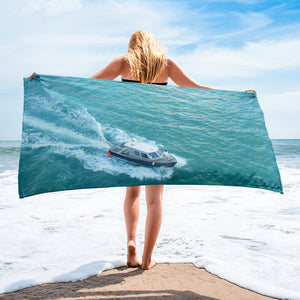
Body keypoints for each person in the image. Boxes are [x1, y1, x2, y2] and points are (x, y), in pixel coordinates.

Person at [30, 30, 255, 270]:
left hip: (128, 135)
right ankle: (147, 259)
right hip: (159, 135)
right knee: (155, 200)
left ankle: (130, 244)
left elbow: (85, 85)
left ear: (132, 45)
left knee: (132, 193)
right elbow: (196, 88)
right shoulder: (166, 64)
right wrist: (237, 97)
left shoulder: (124, 62)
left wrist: (47, 82)